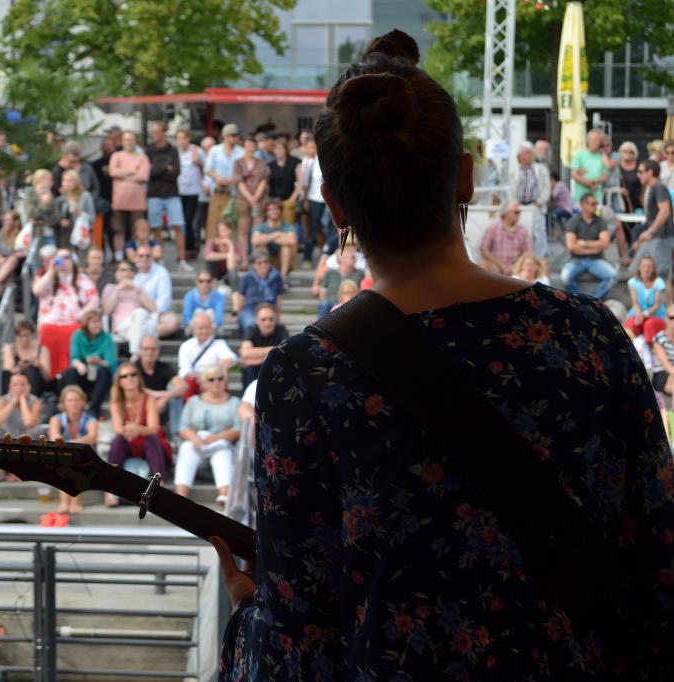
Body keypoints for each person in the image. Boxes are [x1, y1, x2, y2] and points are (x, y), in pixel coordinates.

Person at [215, 30, 674, 679]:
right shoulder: (588, 334)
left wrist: (245, 614)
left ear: (336, 204)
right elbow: (658, 563)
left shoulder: (305, 378)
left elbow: (298, 644)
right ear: (465, 176)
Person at [106, 361, 171, 505]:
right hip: (129, 442)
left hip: (149, 444)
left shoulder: (149, 399)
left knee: (152, 439)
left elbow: (154, 427)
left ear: (138, 377)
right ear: (119, 382)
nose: (130, 378)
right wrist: (129, 430)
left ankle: (160, 487)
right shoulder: (116, 402)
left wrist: (137, 429)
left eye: (133, 374)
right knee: (118, 440)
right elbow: (117, 428)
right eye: (125, 376)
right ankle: (109, 491)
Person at [174, 364, 239, 502]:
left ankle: (224, 495)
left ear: (225, 380)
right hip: (197, 443)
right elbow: (183, 427)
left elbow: (238, 428)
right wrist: (195, 438)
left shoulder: (234, 402)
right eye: (211, 379)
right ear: (204, 383)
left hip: (221, 443)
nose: (216, 382)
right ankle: (180, 496)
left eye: (220, 378)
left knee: (223, 454)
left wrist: (216, 437)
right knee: (186, 448)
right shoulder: (193, 401)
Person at [32, 248, 99, 377]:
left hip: (75, 322)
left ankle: (70, 373)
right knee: (47, 331)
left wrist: (82, 314)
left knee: (79, 333)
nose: (63, 261)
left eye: (66, 257)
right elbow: (37, 290)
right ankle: (50, 376)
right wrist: (51, 270)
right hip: (51, 322)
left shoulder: (82, 279)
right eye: (59, 258)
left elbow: (94, 300)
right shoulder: (47, 276)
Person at [48, 385, 97, 514]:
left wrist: (70, 445)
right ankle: (65, 501)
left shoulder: (91, 420)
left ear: (83, 401)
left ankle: (74, 500)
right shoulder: (56, 419)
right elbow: (55, 438)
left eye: (77, 400)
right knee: (64, 459)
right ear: (63, 403)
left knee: (73, 458)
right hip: (63, 456)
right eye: (70, 400)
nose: (74, 403)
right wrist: (72, 446)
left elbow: (92, 437)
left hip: (86, 457)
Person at [146, 122, 189, 269]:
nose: (154, 135)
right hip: (154, 195)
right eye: (153, 132)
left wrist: (158, 169)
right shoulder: (149, 150)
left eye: (157, 132)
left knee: (178, 227)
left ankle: (182, 259)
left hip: (172, 194)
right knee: (156, 228)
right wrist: (165, 168)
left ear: (164, 133)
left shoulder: (172, 150)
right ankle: (160, 260)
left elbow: (176, 172)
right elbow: (149, 173)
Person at [61, 309, 116, 418]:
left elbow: (110, 362)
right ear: (86, 324)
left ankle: (94, 408)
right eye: (94, 322)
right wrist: (80, 365)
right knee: (70, 372)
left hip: (100, 375)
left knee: (104, 372)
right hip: (83, 374)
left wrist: (99, 362)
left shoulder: (107, 338)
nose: (98, 325)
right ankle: (75, 403)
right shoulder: (77, 336)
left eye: (99, 322)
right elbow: (74, 358)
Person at [561, 193, 617, 299]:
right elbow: (571, 246)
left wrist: (584, 243)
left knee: (613, 275)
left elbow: (605, 243)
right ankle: (582, 299)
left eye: (596, 203)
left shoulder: (601, 221)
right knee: (565, 278)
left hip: (596, 259)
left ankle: (593, 300)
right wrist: (594, 248)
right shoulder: (574, 221)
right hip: (576, 260)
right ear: (583, 205)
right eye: (593, 204)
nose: (596, 206)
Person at [102, 260, 157, 357]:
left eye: (123, 270)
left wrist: (137, 290)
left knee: (140, 314)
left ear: (132, 273)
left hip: (139, 325)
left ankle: (135, 354)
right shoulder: (110, 288)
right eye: (117, 270)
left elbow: (153, 309)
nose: (118, 272)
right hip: (121, 327)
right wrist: (118, 290)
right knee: (139, 313)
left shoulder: (139, 289)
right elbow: (106, 311)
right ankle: (135, 354)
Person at [109, 131, 151, 258]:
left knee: (138, 231)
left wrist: (122, 175)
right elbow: (113, 172)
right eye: (126, 140)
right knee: (118, 230)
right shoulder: (116, 156)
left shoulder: (142, 158)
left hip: (137, 203)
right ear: (122, 142)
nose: (128, 142)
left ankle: (137, 257)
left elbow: (143, 176)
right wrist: (133, 172)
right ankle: (119, 257)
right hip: (119, 202)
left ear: (135, 141)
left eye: (131, 140)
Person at [631, 159, 674, 281]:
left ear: (650, 172)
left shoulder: (659, 187)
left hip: (662, 238)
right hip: (655, 238)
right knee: (638, 273)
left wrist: (650, 231)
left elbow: (665, 211)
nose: (638, 175)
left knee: (663, 278)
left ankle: (667, 301)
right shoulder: (652, 188)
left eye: (641, 172)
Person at [177, 310, 237, 395]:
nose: (204, 331)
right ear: (194, 329)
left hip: (214, 379)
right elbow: (185, 371)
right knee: (188, 383)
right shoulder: (186, 346)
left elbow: (231, 359)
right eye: (201, 328)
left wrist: (211, 375)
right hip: (195, 381)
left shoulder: (219, 344)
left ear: (212, 328)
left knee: (221, 378)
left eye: (207, 328)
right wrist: (202, 378)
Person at [509, 141, 550, 258]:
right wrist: (514, 203)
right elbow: (511, 189)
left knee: (538, 236)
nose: (529, 155)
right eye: (526, 153)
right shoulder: (515, 170)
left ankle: (539, 260)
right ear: (520, 155)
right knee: (522, 234)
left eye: (530, 153)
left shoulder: (540, 169)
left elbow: (547, 188)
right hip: (520, 207)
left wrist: (539, 202)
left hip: (535, 206)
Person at [203, 124, 244, 241]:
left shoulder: (241, 151)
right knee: (214, 222)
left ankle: (232, 251)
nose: (234, 138)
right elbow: (207, 169)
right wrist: (218, 178)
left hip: (235, 193)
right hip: (218, 191)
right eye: (232, 135)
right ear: (225, 136)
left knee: (232, 222)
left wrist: (232, 180)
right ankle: (212, 249)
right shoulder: (215, 150)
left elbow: (243, 172)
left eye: (236, 135)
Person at [232, 137, 269, 258]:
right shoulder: (238, 162)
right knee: (243, 230)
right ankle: (244, 259)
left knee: (257, 230)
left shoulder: (261, 162)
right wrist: (250, 198)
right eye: (248, 145)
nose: (250, 148)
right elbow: (239, 181)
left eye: (252, 146)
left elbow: (264, 180)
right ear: (244, 146)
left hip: (259, 198)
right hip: (243, 198)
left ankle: (257, 259)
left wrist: (256, 197)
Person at [132, 246, 180, 338]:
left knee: (172, 323)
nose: (144, 258)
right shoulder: (129, 271)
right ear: (136, 257)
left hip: (157, 316)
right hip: (134, 315)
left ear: (152, 258)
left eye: (147, 256)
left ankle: (139, 335)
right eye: (141, 256)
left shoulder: (161, 272)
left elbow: (162, 304)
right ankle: (144, 335)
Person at [232, 248, 284, 331]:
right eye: (259, 263)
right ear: (254, 265)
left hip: (269, 309)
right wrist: (239, 316)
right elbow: (241, 299)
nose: (263, 265)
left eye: (266, 262)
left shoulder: (277, 278)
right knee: (252, 324)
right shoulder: (247, 278)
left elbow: (278, 298)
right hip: (250, 310)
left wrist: (277, 317)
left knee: (271, 325)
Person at [238, 303, 289, 388]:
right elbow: (245, 353)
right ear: (257, 320)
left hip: (274, 369)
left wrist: (255, 360)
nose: (267, 323)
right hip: (256, 370)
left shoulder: (281, 330)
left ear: (275, 320)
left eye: (271, 319)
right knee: (249, 370)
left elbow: (285, 353)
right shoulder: (251, 329)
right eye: (263, 319)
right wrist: (275, 349)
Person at [0, 370, 47, 439]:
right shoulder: (3, 400)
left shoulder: (36, 401)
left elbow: (29, 423)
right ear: (9, 387)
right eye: (15, 385)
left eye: (23, 384)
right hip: (7, 435)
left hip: (28, 435)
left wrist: (23, 400)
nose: (19, 388)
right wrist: (13, 402)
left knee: (37, 430)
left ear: (29, 386)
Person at [175, 128, 205, 258]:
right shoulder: (176, 152)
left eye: (184, 138)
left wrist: (199, 163)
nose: (181, 141)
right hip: (179, 190)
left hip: (194, 191)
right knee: (181, 221)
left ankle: (191, 247)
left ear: (188, 138)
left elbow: (207, 168)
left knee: (189, 220)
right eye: (179, 138)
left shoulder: (197, 151)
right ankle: (185, 248)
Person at [479, 200, 530, 276]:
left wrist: (517, 265)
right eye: (516, 212)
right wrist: (500, 264)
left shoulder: (522, 231)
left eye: (519, 212)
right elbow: (484, 249)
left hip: (516, 267)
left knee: (540, 264)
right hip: (497, 265)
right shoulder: (493, 228)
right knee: (482, 265)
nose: (519, 214)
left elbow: (526, 252)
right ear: (506, 213)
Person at [2, 320, 52, 397]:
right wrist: (19, 367)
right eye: (21, 336)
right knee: (5, 375)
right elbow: (8, 369)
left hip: (38, 383)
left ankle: (32, 400)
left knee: (31, 371)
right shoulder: (10, 348)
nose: (24, 339)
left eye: (27, 335)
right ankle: (7, 399)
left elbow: (47, 376)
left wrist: (38, 365)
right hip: (16, 381)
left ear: (32, 335)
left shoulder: (42, 348)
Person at [250, 199, 298, 276]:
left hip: (281, 258)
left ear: (280, 211)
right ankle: (262, 275)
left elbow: (292, 240)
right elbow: (255, 241)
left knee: (286, 248)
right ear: (266, 212)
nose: (274, 211)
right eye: (270, 209)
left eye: (276, 209)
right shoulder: (260, 227)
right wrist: (276, 234)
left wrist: (266, 238)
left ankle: (283, 278)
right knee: (261, 246)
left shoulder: (288, 226)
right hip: (266, 258)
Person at [299, 139, 328, 263]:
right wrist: (305, 200)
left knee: (329, 228)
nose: (313, 149)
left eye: (314, 147)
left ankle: (328, 254)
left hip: (326, 200)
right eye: (310, 147)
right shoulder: (307, 163)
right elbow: (305, 184)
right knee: (313, 228)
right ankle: (307, 257)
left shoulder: (324, 161)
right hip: (314, 199)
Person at [624, 255, 666, 338]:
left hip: (655, 314)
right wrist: (639, 314)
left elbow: (657, 305)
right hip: (637, 312)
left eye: (649, 266)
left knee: (648, 325)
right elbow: (635, 303)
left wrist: (644, 315)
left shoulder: (659, 282)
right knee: (629, 325)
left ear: (653, 269)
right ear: (639, 267)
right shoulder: (632, 282)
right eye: (644, 266)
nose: (646, 269)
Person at [57, 169, 95, 255]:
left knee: (81, 264)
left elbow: (92, 219)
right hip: (65, 236)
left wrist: (79, 213)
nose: (67, 183)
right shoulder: (60, 199)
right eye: (65, 180)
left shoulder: (85, 196)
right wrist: (60, 221)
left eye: (70, 180)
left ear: (76, 182)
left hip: (80, 234)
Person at [0, 210, 27, 288]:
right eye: (4, 220)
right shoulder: (0, 234)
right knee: (3, 263)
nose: (5, 222)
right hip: (3, 261)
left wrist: (9, 258)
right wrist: (0, 259)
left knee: (11, 261)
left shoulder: (21, 234)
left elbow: (24, 252)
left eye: (8, 220)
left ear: (15, 222)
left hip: (17, 263)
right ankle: (0, 292)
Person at [203, 219, 242, 287]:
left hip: (228, 274)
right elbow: (208, 256)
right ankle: (214, 287)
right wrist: (227, 255)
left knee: (233, 273)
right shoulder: (212, 242)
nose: (226, 232)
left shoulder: (235, 244)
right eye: (223, 230)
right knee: (211, 261)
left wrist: (230, 245)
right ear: (218, 232)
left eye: (227, 229)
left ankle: (235, 294)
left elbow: (234, 263)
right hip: (215, 274)